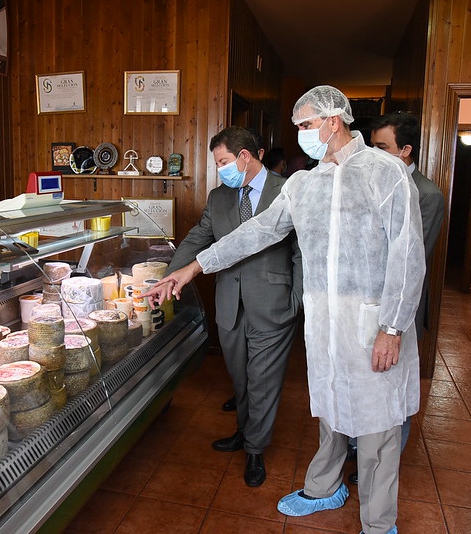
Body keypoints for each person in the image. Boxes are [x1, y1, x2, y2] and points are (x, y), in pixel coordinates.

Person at [146, 86, 425, 534]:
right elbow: (255, 233)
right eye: (298, 127)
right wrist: (194, 267)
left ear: (333, 121)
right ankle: (324, 487)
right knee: (330, 409)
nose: (300, 135)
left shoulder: (384, 171)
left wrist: (392, 327)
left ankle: (378, 523)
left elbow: (408, 254)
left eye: (306, 125)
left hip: (374, 319)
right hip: (326, 322)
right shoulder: (304, 184)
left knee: (377, 428)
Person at [165, 126, 302, 487]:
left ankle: (255, 449)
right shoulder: (219, 197)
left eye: (223, 161)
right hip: (229, 302)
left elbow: (303, 250)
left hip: (274, 302)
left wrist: (297, 298)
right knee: (240, 377)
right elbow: (198, 237)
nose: (220, 169)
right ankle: (244, 430)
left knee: (263, 381)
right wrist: (170, 275)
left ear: (245, 156)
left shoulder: (288, 190)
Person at [342, 112, 445, 480]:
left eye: (381, 147)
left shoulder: (427, 194)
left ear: (405, 150)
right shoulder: (368, 182)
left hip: (396, 308)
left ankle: (381, 465)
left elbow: (408, 261)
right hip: (360, 306)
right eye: (371, 146)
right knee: (362, 381)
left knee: (392, 390)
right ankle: (358, 448)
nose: (373, 154)